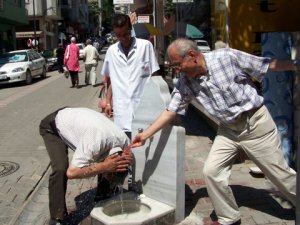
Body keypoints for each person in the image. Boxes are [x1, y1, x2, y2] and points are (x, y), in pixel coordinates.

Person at [132, 38, 299, 225]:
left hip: (255, 125)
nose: (176, 70)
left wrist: (294, 65)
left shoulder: (226, 57)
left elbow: (265, 65)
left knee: (280, 176)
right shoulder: (185, 83)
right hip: (228, 130)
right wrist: (145, 135)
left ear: (192, 56)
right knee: (212, 171)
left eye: (177, 65)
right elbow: (171, 110)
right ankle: (229, 217)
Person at [39, 107, 133, 225]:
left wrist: (127, 161)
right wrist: (104, 167)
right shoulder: (94, 142)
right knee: (61, 169)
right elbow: (72, 173)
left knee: (107, 165)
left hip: (76, 122)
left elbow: (125, 161)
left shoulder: (124, 142)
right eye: (108, 177)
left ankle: (102, 197)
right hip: (52, 127)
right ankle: (56, 217)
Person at [101, 13, 160, 139]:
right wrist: (107, 102)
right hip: (122, 110)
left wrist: (159, 102)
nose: (123, 38)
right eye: (118, 35)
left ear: (131, 28)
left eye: (126, 34)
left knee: (144, 146)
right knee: (126, 148)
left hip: (144, 107)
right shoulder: (111, 51)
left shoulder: (145, 46)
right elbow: (111, 79)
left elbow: (155, 75)